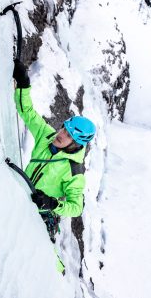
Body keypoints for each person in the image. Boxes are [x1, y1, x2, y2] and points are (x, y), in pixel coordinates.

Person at [12, 59, 95, 233]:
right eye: (64, 128)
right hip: (18, 197)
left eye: (68, 135)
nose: (60, 134)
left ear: (76, 143)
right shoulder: (47, 135)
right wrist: (23, 84)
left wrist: (52, 203)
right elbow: (27, 112)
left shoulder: (74, 171)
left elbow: (76, 207)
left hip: (36, 216)